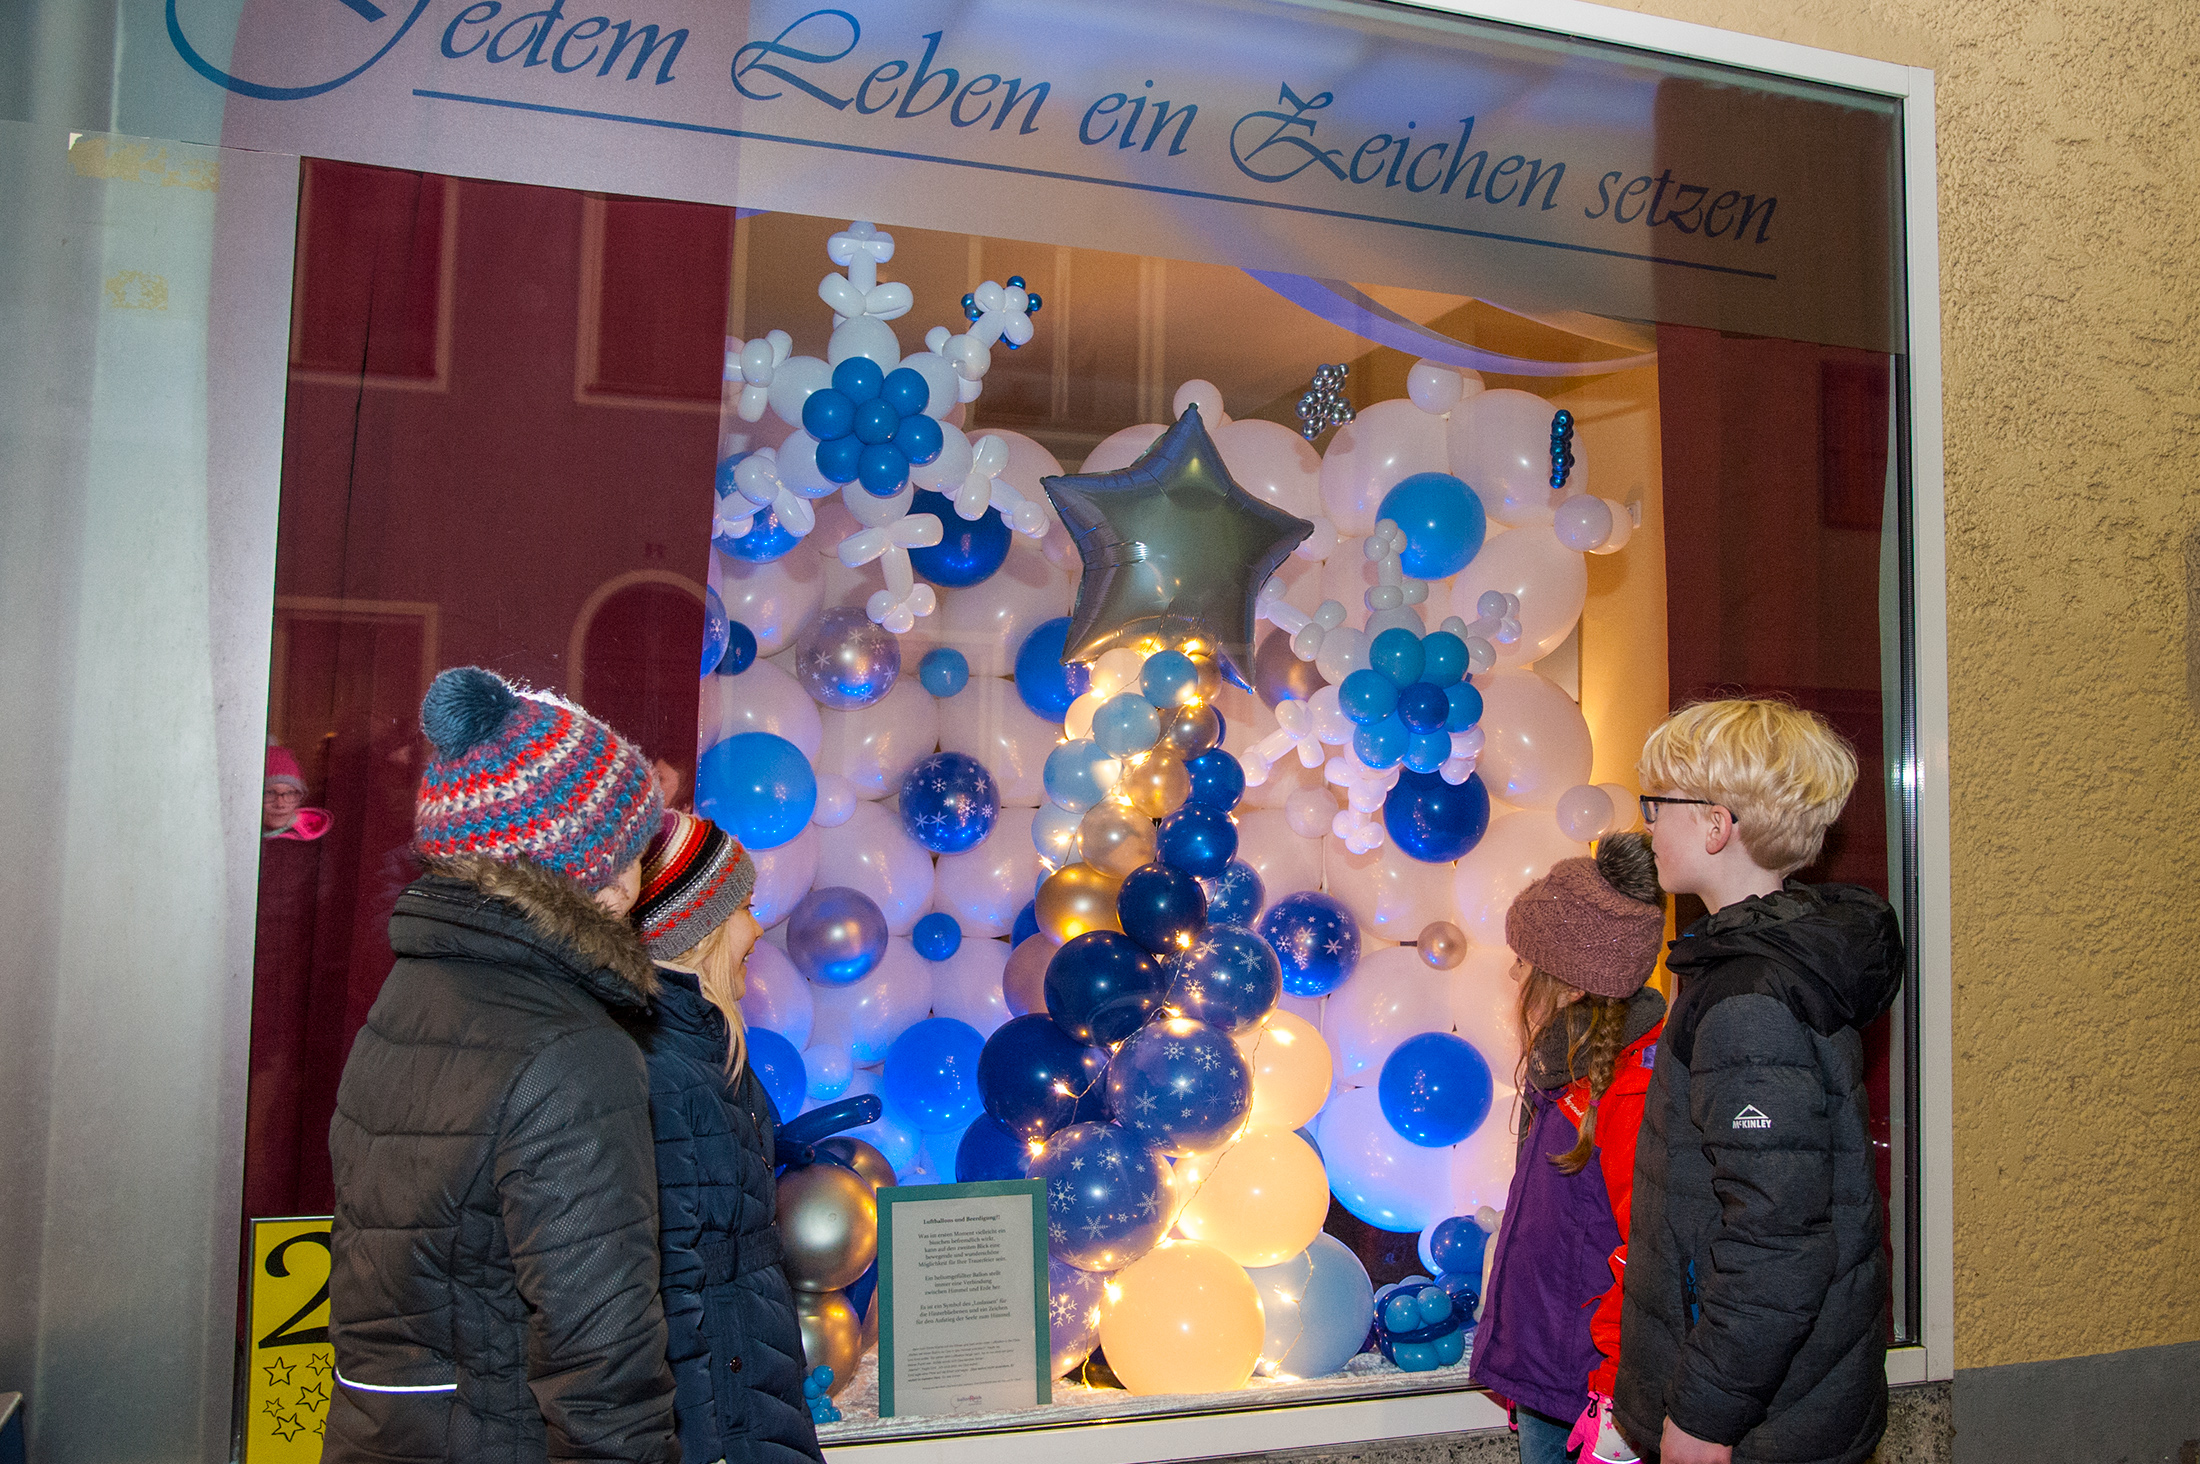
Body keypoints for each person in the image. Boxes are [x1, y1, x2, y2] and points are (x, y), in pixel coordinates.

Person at [323, 665, 678, 1464]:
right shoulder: (571, 1052)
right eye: (628, 851)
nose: (637, 879)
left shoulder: (409, 998)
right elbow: (603, 1367)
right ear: (584, 874)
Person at [1616, 700, 1903, 1464]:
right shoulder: (1770, 960)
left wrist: (1703, 1420)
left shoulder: (1750, 1001)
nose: (1649, 824)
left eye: (1659, 805)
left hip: (1760, 1423)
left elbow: (1777, 1239)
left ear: (1715, 826)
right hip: (1792, 1402)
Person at [627, 810, 826, 1464]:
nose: (758, 925)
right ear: (696, 930)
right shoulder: (666, 1073)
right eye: (742, 907)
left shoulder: (712, 1054)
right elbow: (679, 1293)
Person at [1470, 832, 1668, 1464]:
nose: (1512, 973)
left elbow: (1649, 1252)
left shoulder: (1630, 1091)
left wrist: (1609, 1395)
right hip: (1550, 1378)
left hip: (1592, 1389)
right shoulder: (1562, 1072)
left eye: (1525, 962)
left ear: (1573, 984)